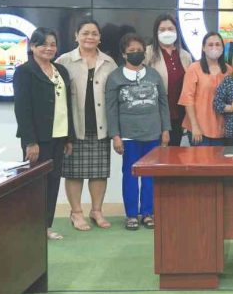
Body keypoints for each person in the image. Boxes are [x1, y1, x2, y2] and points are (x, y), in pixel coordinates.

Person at [56, 19, 117, 231]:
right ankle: (76, 213)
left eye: (94, 33)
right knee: (74, 172)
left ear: (100, 38)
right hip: (74, 127)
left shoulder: (109, 62)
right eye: (85, 33)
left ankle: (97, 211)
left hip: (101, 125)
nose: (90, 37)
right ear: (76, 36)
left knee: (99, 171)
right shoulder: (64, 61)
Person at [13, 27, 74, 240]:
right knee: (35, 184)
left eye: (53, 44)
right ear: (32, 47)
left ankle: (46, 226)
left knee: (53, 182)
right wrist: (30, 141)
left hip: (59, 136)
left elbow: (67, 105)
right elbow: (22, 108)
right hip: (38, 140)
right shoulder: (24, 72)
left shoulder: (61, 71)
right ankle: (30, 228)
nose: (49, 48)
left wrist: (68, 137)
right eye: (43, 44)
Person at [106, 33, 170, 231]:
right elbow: (110, 109)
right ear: (124, 54)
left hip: (153, 134)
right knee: (130, 175)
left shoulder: (153, 75)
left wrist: (165, 129)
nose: (136, 54)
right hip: (128, 136)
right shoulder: (115, 77)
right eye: (131, 51)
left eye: (139, 50)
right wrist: (115, 136)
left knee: (150, 176)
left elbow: (163, 104)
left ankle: (148, 213)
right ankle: (132, 215)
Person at [145, 13, 192, 146]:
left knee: (173, 154)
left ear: (177, 31)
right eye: (162, 29)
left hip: (179, 114)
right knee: (156, 155)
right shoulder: (148, 53)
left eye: (171, 29)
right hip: (156, 114)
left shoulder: (185, 55)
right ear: (156, 32)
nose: (167, 32)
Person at [178, 32, 231, 146]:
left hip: (222, 129)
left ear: (222, 47)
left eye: (218, 44)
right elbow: (188, 99)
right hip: (199, 128)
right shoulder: (194, 68)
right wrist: (195, 126)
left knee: (219, 163)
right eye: (210, 45)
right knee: (201, 162)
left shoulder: (229, 70)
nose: (214, 48)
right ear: (203, 48)